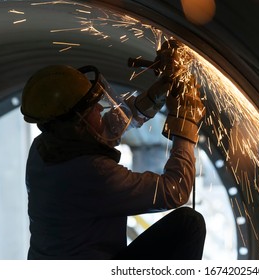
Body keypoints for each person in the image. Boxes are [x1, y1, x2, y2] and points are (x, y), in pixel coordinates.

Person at [20, 41, 206, 260]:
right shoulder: (92, 172)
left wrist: (158, 91)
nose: (100, 108)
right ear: (77, 123)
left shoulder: (44, 148)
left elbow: (106, 128)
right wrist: (186, 123)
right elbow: (175, 190)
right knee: (188, 224)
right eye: (92, 107)